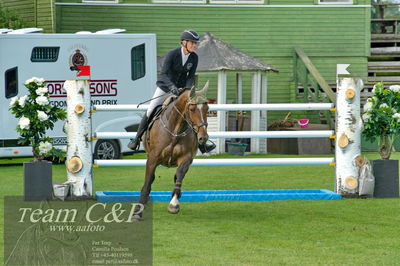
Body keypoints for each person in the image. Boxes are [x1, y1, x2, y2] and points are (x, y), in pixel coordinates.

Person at [128, 30, 216, 153]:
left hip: (182, 91)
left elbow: (190, 76)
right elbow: (163, 74)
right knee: (150, 110)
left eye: (196, 43)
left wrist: (187, 89)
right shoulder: (172, 54)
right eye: (192, 43)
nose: (195, 45)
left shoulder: (194, 57)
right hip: (165, 88)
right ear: (184, 43)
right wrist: (172, 87)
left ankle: (202, 143)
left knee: (192, 112)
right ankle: (136, 139)